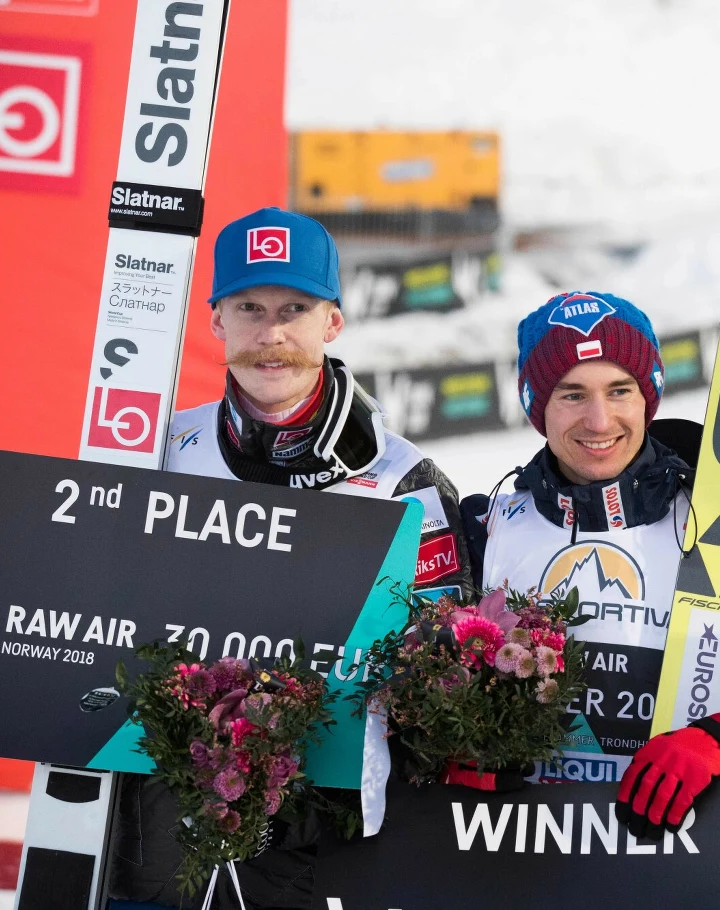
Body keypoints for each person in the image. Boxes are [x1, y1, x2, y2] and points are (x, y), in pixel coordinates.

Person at [108, 207, 474, 910]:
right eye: (248, 307)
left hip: (322, 852)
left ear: (332, 321)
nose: (270, 335)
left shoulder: (401, 481)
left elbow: (441, 675)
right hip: (159, 842)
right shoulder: (155, 453)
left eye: (294, 309)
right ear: (215, 319)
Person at [458, 291, 720, 833]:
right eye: (572, 394)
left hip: (678, 861)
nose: (599, 420)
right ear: (537, 405)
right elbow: (413, 708)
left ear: (648, 396)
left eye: (619, 390)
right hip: (519, 858)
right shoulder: (487, 529)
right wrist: (447, 752)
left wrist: (717, 744)